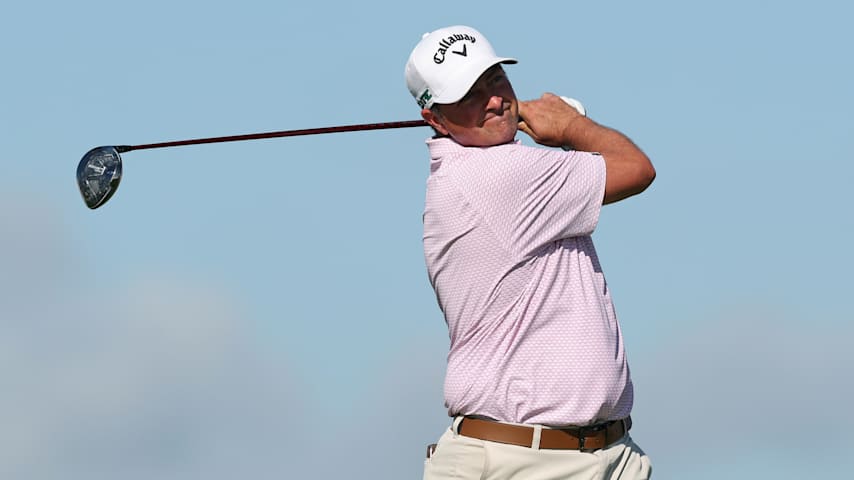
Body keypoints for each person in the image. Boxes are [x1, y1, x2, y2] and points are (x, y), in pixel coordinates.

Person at [404, 25, 656, 480]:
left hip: (605, 454)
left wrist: (565, 137)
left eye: (494, 80)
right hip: (519, 462)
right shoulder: (499, 176)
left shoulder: (496, 172)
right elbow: (636, 169)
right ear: (436, 120)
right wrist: (571, 125)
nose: (494, 100)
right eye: (469, 95)